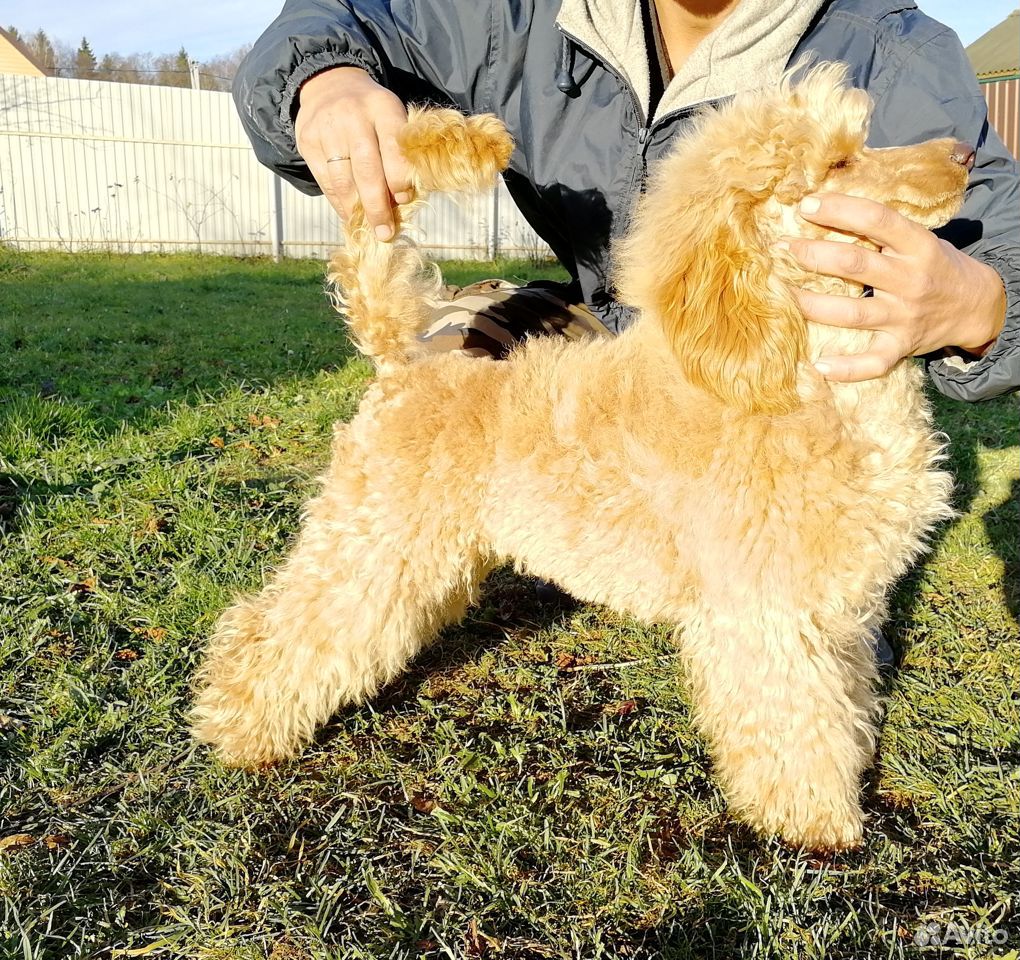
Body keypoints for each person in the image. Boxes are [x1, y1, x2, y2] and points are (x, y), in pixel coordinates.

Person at [232, 0, 1020, 400]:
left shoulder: (893, 49)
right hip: (596, 332)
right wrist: (324, 79)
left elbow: (1002, 232)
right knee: (443, 373)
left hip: (778, 356)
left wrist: (984, 305)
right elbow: (340, 12)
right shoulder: (513, 15)